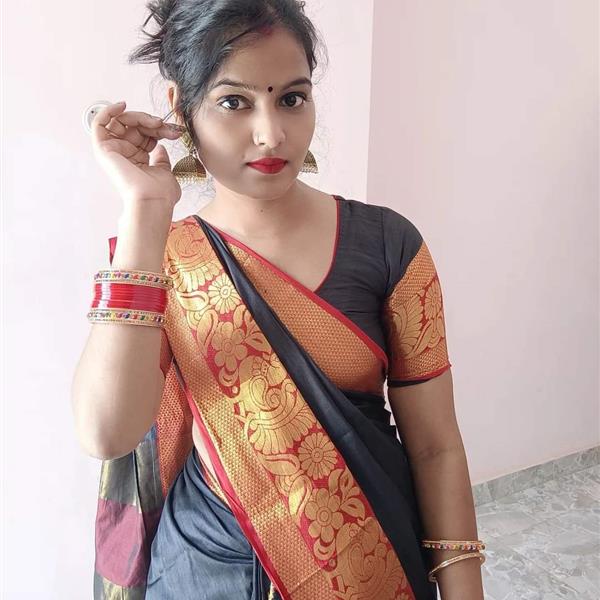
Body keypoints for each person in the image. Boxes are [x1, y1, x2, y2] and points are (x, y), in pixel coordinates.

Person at [71, 1, 486, 599]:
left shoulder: (388, 245)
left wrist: (464, 590)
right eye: (234, 102)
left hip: (369, 565)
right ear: (180, 108)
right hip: (203, 573)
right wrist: (144, 212)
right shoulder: (163, 256)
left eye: (291, 98)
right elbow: (105, 433)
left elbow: (436, 446)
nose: (271, 133)